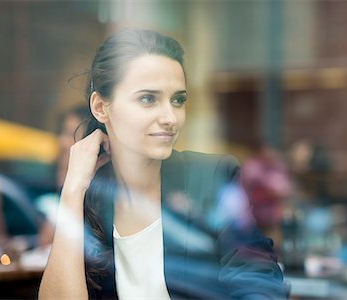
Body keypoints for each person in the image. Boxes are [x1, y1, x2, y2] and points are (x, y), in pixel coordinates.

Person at [39, 28, 288, 299]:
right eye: (148, 99)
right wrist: (72, 189)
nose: (171, 117)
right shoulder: (91, 200)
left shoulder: (209, 179)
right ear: (101, 107)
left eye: (178, 100)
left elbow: (260, 285)